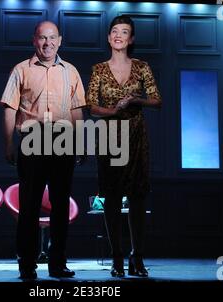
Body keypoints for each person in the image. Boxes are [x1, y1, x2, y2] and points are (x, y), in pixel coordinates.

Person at [0, 21, 85, 279]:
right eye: (42, 38)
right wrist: (8, 144)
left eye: (52, 38)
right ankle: (27, 265)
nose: (47, 43)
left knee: (60, 207)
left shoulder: (71, 71)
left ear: (60, 40)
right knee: (29, 206)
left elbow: (77, 110)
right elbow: (9, 109)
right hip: (32, 140)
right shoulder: (21, 70)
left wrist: (80, 143)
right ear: (33, 40)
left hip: (62, 141)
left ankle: (57, 263)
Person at [86, 15, 162, 277]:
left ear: (131, 39)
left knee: (138, 197)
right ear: (109, 38)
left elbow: (157, 100)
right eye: (115, 31)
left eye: (125, 31)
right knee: (112, 199)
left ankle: (137, 257)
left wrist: (136, 100)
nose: (119, 35)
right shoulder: (98, 69)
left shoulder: (142, 67)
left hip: (136, 136)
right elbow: (90, 106)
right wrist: (112, 110)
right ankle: (117, 257)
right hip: (108, 137)